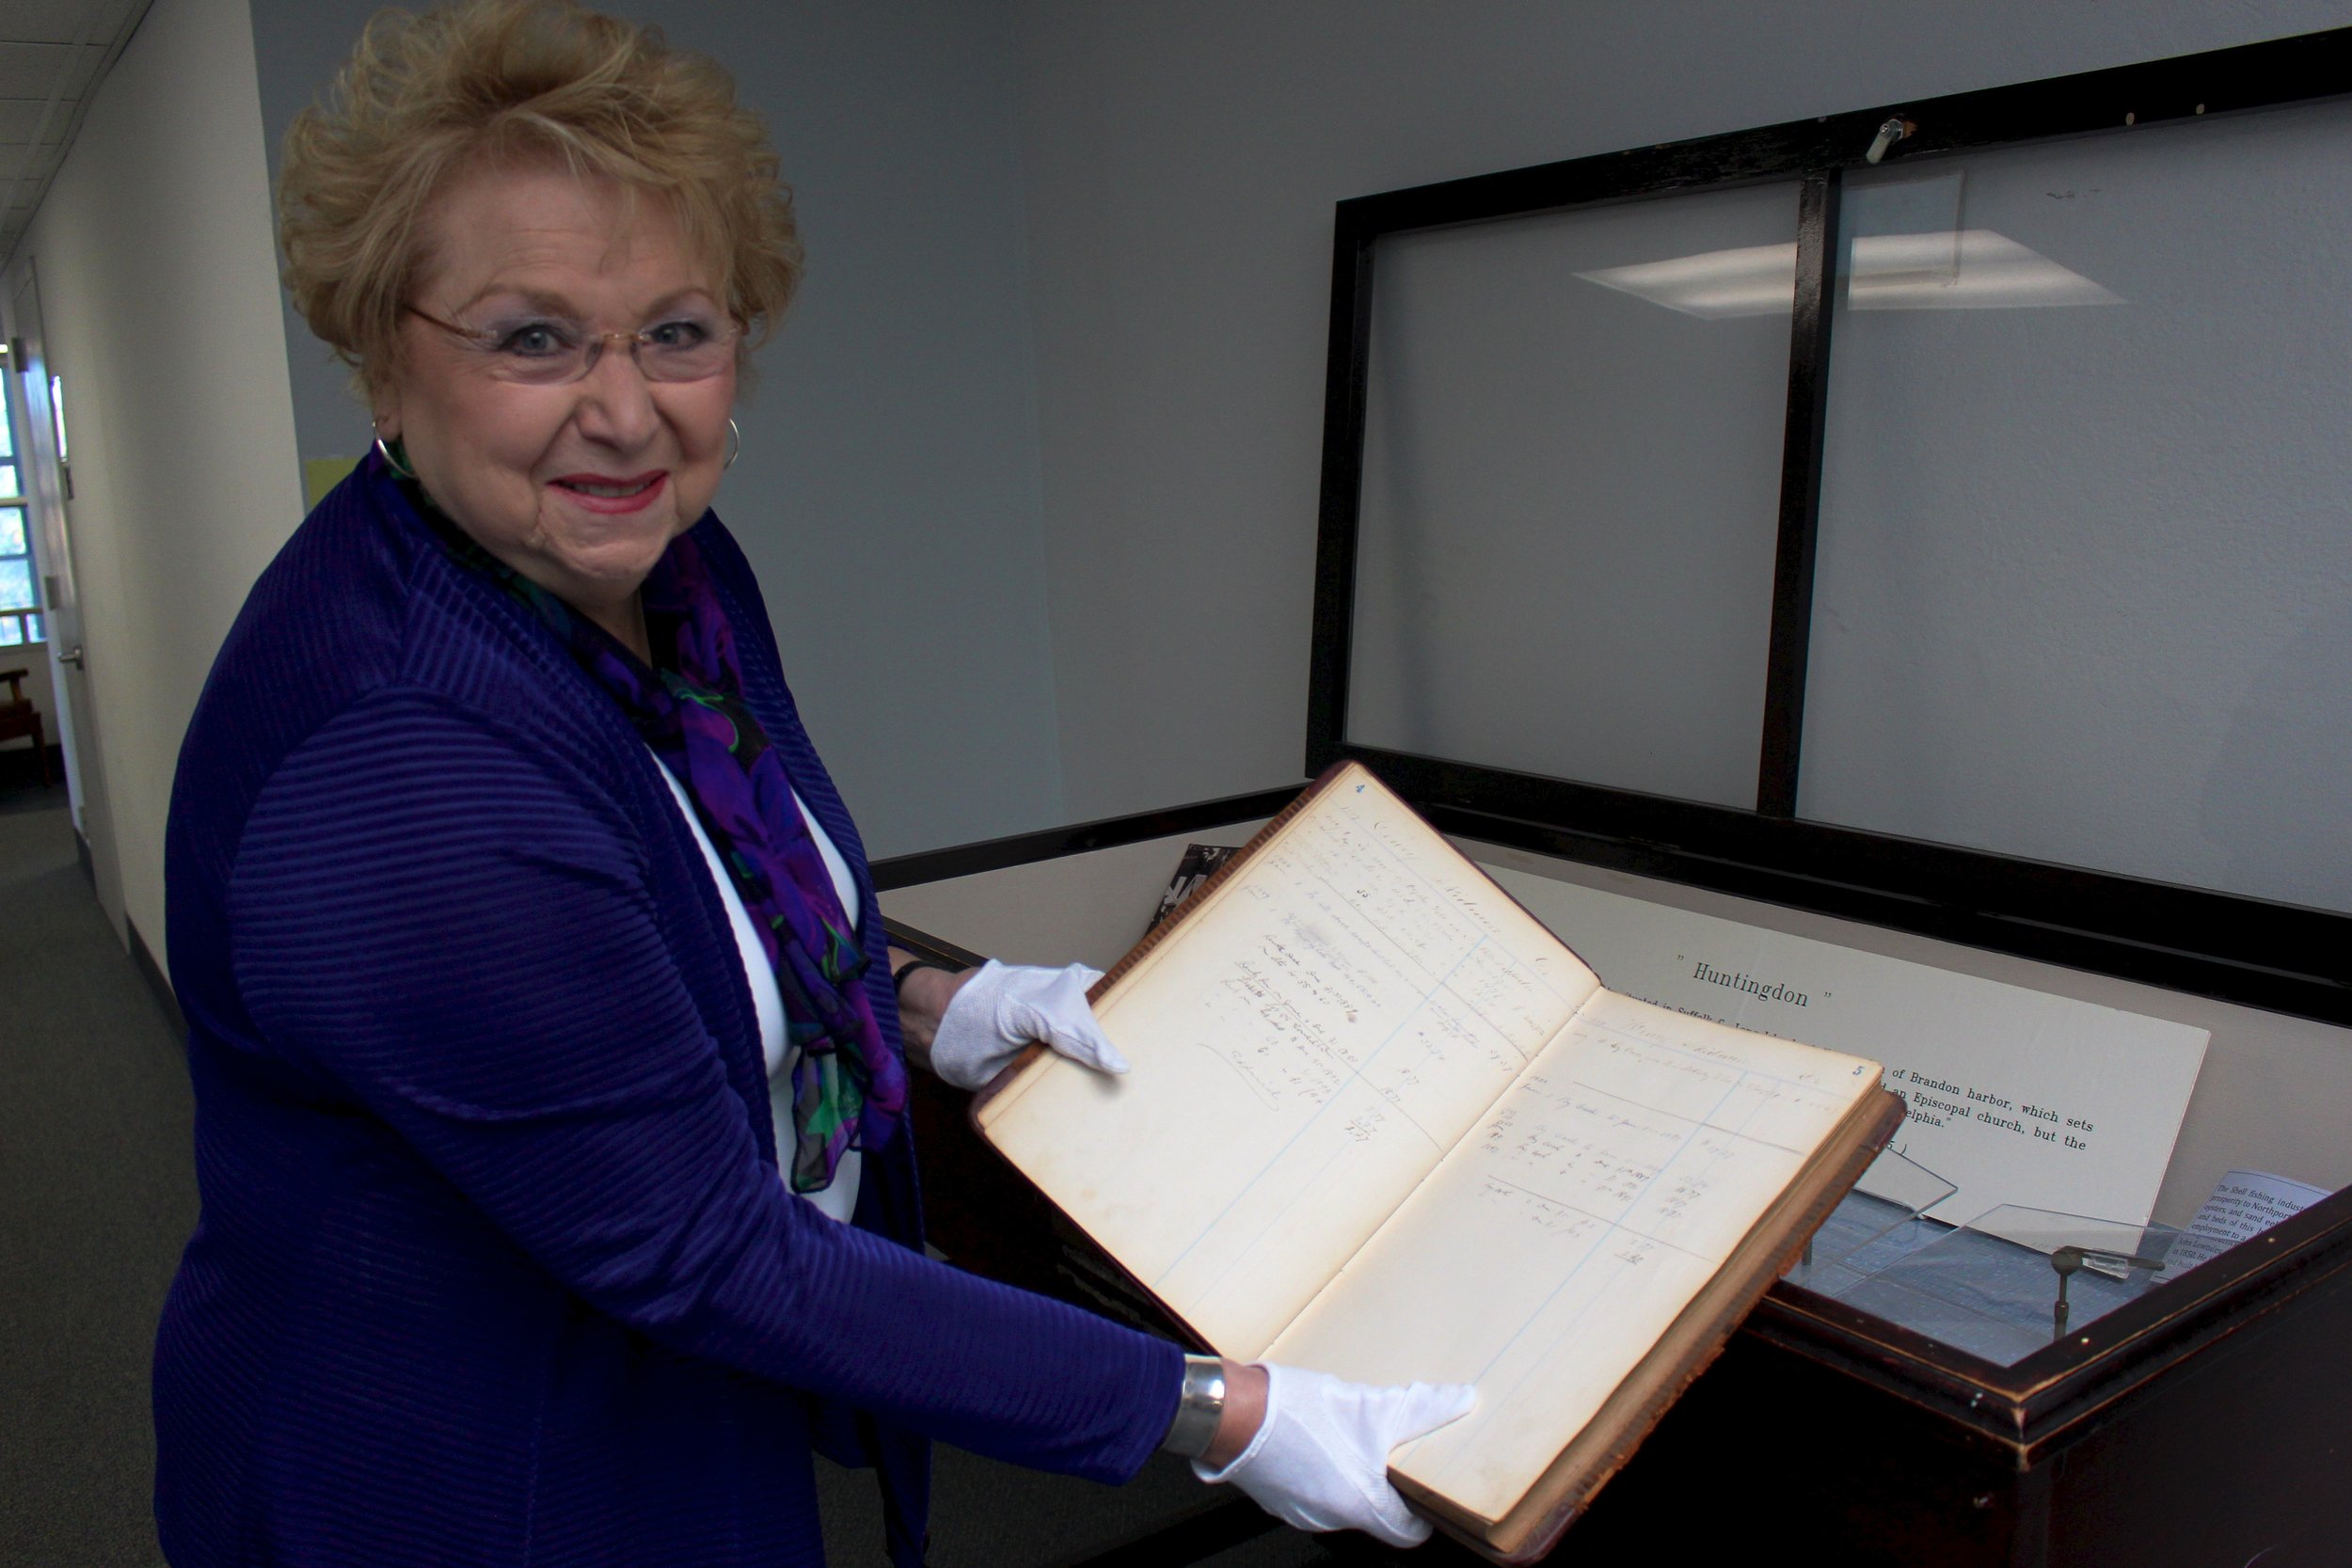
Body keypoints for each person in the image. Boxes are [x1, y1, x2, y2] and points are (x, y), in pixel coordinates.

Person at [153, 3, 1471, 1564]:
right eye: (532, 336)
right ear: (382, 359)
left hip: (680, 1394)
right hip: (482, 1472)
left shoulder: (661, 567)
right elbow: (706, 1247)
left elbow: (717, 882)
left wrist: (924, 1005)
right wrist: (1231, 1415)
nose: (626, 408)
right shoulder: (399, 765)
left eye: (678, 331)